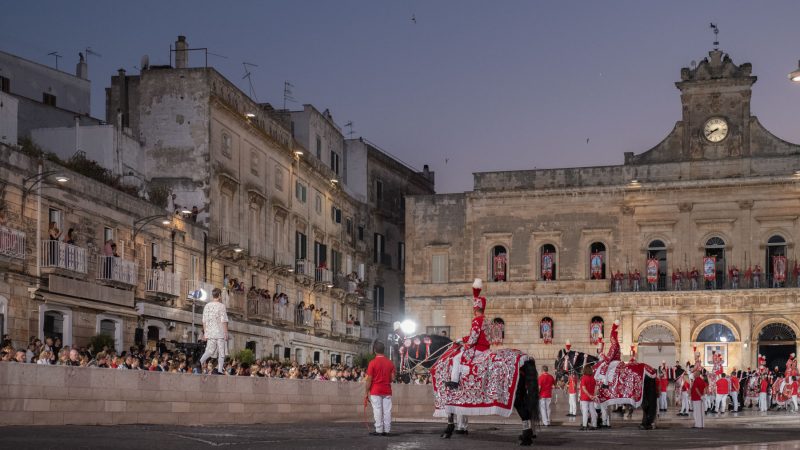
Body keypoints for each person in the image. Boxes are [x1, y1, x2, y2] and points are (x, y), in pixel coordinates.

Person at [445, 279, 490, 390]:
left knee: (456, 358)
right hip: (486, 349)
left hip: (478, 349)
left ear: (475, 309)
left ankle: (454, 381)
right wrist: (462, 339)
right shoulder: (487, 320)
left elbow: (474, 337)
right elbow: (479, 335)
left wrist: (467, 345)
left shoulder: (477, 320)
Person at [364, 341, 395, 436]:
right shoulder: (390, 363)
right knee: (387, 411)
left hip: (375, 390)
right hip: (387, 389)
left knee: (377, 410)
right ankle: (387, 430)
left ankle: (379, 430)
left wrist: (366, 392)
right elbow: (392, 378)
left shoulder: (372, 363)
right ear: (384, 350)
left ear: (374, 350)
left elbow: (369, 379)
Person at [199, 288, 229, 374]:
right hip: (220, 332)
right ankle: (219, 370)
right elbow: (224, 320)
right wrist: (226, 332)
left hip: (210, 332)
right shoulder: (221, 306)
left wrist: (205, 333)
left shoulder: (207, 306)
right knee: (221, 352)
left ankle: (200, 361)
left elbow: (204, 320)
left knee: (210, 350)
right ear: (219, 295)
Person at [579, 365, 598, 430]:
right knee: (592, 411)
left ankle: (584, 425)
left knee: (585, 411)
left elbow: (584, 388)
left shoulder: (584, 378)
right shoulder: (593, 378)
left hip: (585, 397)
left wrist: (589, 395)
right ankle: (594, 425)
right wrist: (593, 396)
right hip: (591, 397)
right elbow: (596, 388)